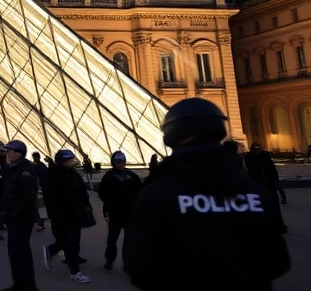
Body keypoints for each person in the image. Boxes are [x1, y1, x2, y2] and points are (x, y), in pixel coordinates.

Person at [122, 97, 290, 290]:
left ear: (170, 134)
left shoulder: (155, 194)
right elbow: (279, 262)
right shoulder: (255, 191)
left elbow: (138, 266)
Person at [43, 149, 91, 284]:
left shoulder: (72, 173)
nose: (72, 162)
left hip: (76, 213)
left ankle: (51, 251)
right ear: (61, 162)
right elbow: (49, 197)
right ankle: (75, 271)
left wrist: (86, 204)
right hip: (62, 215)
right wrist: (54, 214)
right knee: (69, 242)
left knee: (73, 241)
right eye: (69, 160)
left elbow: (81, 190)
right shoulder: (53, 176)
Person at [1, 140, 40, 291]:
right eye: (8, 151)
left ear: (19, 153)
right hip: (13, 216)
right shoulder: (14, 168)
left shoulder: (25, 171)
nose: (8, 154)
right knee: (15, 252)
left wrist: (16, 213)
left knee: (20, 252)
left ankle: (28, 286)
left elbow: (30, 196)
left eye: (11, 151)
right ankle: (19, 283)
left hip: (21, 218)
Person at [97, 150, 142, 270]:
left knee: (128, 240)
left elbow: (140, 192)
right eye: (118, 161)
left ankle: (127, 262)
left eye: (123, 161)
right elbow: (102, 194)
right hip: (115, 213)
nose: (121, 163)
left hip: (128, 213)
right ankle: (110, 259)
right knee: (112, 239)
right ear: (114, 162)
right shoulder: (111, 176)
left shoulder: (131, 176)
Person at [244, 141, 288, 232]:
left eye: (259, 147)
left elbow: (272, 171)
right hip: (260, 185)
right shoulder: (250, 158)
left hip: (268, 185)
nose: (258, 149)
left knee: (273, 206)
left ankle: (278, 225)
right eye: (256, 147)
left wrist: (275, 181)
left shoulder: (263, 157)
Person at [30, 152, 49, 231]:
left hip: (39, 189)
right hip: (40, 189)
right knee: (40, 208)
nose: (35, 159)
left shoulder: (37, 167)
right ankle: (40, 222)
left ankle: (40, 223)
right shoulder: (41, 166)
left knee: (40, 207)